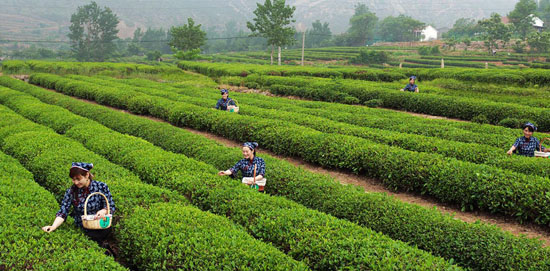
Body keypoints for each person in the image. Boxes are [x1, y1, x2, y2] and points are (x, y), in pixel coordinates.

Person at [42, 162, 116, 254]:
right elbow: (63, 211)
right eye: (73, 179)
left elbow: (111, 206)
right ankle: (103, 249)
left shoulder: (101, 187)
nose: (76, 182)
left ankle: (103, 248)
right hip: (83, 227)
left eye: (78, 179)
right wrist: (53, 226)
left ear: (87, 175)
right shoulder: (71, 191)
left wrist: (103, 211)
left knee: (98, 238)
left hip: (101, 224)